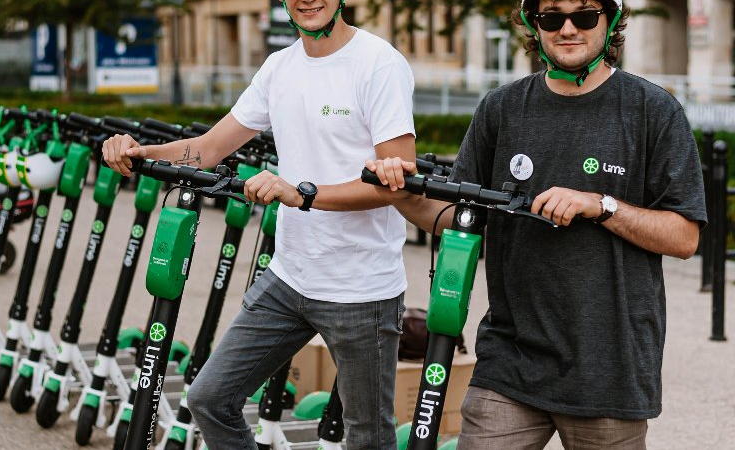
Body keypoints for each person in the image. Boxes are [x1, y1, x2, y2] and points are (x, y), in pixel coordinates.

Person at [367, 0, 707, 448]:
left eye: (584, 16)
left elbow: (684, 238)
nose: (567, 28)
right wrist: (403, 196)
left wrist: (601, 205)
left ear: (609, 21)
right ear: (534, 24)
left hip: (610, 369)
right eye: (551, 17)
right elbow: (462, 217)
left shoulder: (652, 110)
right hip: (510, 359)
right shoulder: (503, 108)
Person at [102, 1, 416, 448]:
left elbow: (397, 183)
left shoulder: (378, 63)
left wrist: (302, 193)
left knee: (368, 439)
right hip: (289, 278)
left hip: (360, 290)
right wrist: (140, 155)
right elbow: (209, 149)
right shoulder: (278, 67)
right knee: (210, 398)